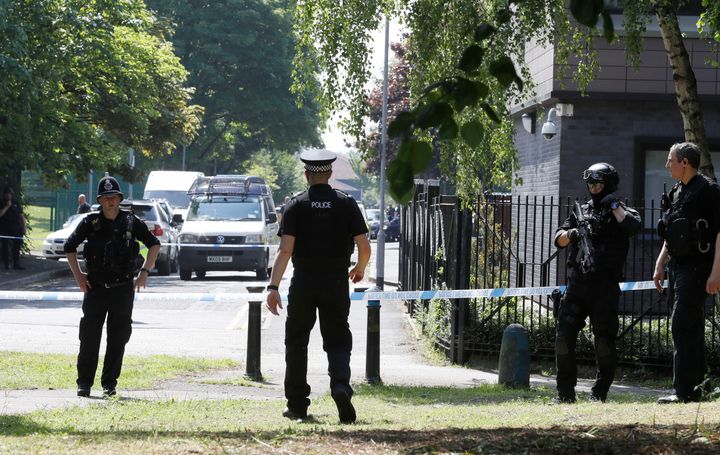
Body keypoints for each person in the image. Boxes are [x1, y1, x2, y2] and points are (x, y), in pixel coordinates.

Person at [266, 149, 371, 424]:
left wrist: (273, 286)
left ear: (306, 174)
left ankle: (298, 405)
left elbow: (285, 251)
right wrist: (359, 269)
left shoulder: (295, 205)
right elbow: (364, 246)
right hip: (336, 281)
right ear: (330, 173)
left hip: (304, 281)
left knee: (297, 341)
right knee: (337, 338)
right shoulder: (346, 204)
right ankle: (340, 386)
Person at [64, 175, 161, 398]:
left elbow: (154, 244)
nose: (110, 202)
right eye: (106, 198)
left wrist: (144, 271)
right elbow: (69, 247)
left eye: (114, 197)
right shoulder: (90, 222)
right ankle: (84, 384)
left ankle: (109, 384)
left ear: (119, 198)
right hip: (95, 288)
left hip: (122, 289)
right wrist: (79, 277)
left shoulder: (130, 221)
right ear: (100, 200)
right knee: (89, 338)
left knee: (117, 339)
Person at [553, 162, 641, 403]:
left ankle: (599, 393)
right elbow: (558, 239)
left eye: (598, 183)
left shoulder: (622, 212)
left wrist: (614, 205)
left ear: (610, 184)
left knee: (603, 341)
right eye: (590, 183)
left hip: (604, 288)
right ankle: (565, 394)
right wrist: (572, 234)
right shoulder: (580, 212)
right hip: (577, 286)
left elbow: (633, 227)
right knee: (563, 339)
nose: (593, 187)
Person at [653, 142, 720, 404]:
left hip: (700, 267)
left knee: (681, 323)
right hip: (678, 266)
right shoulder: (676, 192)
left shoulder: (710, 191)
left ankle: (682, 392)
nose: (667, 165)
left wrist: (716, 273)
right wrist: (660, 264)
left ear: (685, 163)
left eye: (671, 160)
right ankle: (701, 387)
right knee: (690, 326)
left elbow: (718, 233)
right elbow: (672, 233)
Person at [0, 187, 26, 270]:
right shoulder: (1, 203)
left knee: (17, 245)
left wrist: (23, 227)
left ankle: (16, 263)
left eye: (10, 194)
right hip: (5, 228)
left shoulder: (16, 203)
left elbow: (21, 216)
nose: (8, 195)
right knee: (5, 246)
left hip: (16, 228)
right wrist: (7, 206)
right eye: (7, 194)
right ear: (4, 195)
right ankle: (6, 264)